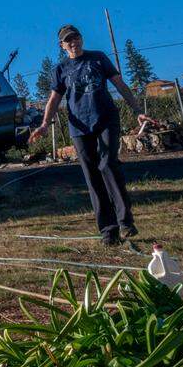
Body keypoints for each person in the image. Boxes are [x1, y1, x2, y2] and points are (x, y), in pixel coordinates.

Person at [30, 24, 152, 246]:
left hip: (106, 118)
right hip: (79, 127)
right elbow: (54, 99)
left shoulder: (98, 58)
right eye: (68, 40)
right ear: (62, 46)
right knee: (92, 176)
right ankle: (108, 230)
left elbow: (119, 84)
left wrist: (137, 111)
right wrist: (45, 123)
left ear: (82, 40)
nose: (73, 43)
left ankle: (125, 222)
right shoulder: (61, 69)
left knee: (107, 164)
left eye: (76, 38)